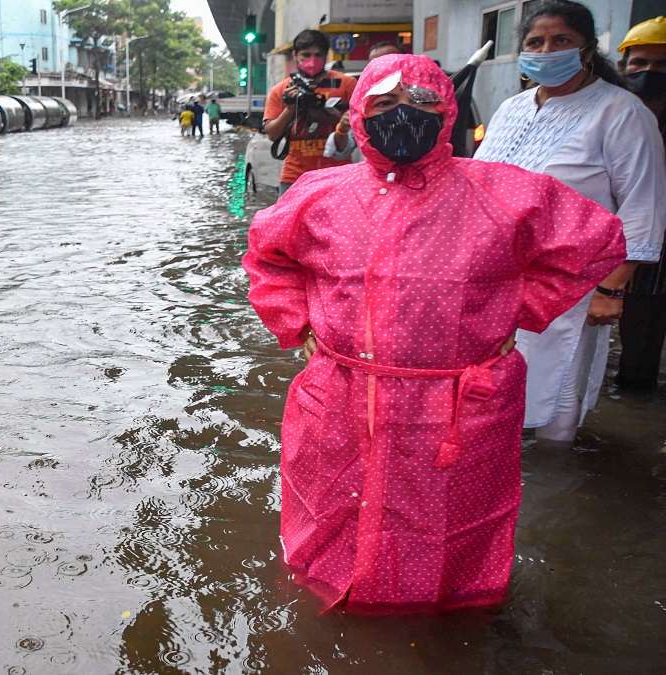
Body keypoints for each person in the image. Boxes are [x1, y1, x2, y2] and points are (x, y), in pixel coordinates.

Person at [243, 53, 625, 613]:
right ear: (358, 113)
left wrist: (513, 309)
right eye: (385, 103)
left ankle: (439, 619)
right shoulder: (319, 193)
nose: (404, 115)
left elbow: (596, 243)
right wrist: (296, 322)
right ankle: (336, 600)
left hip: (457, 401)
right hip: (342, 392)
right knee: (332, 509)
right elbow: (267, 257)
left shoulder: (506, 192)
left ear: (447, 112)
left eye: (421, 102)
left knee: (449, 524)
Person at [473, 0, 666, 442]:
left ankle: (553, 480)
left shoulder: (622, 112)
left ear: (587, 48)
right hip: (497, 282)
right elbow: (478, 185)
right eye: (535, 42)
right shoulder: (511, 109)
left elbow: (643, 205)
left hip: (572, 286)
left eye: (561, 40)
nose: (546, 51)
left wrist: (611, 289)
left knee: (555, 392)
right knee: (491, 394)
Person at [616, 16, 666, 391]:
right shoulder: (615, 114)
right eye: (640, 63)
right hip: (627, 235)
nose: (649, 73)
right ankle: (633, 384)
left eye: (662, 65)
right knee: (636, 313)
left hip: (657, 234)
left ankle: (639, 386)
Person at [262, 30, 357, 196]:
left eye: (318, 55)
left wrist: (329, 111)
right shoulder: (282, 90)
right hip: (295, 176)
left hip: (339, 174)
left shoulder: (346, 84)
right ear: (295, 55)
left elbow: (360, 127)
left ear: (326, 56)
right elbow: (272, 134)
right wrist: (290, 108)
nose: (312, 61)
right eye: (305, 55)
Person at [325, 43, 402, 161]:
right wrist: (342, 130)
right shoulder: (362, 102)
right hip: (375, 176)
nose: (383, 68)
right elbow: (341, 152)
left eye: (389, 60)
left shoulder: (426, 95)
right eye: (375, 64)